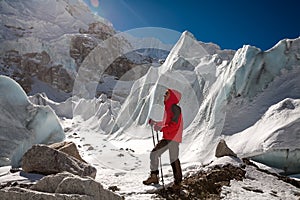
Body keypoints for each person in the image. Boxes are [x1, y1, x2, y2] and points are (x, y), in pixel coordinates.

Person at [143, 88, 183, 189]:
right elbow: (167, 124)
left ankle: (177, 183)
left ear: (172, 96)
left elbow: (174, 125)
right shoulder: (169, 108)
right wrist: (156, 123)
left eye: (166, 94)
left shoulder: (175, 108)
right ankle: (154, 176)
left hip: (173, 138)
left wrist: (161, 128)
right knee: (156, 154)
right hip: (168, 137)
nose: (164, 95)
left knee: (171, 158)